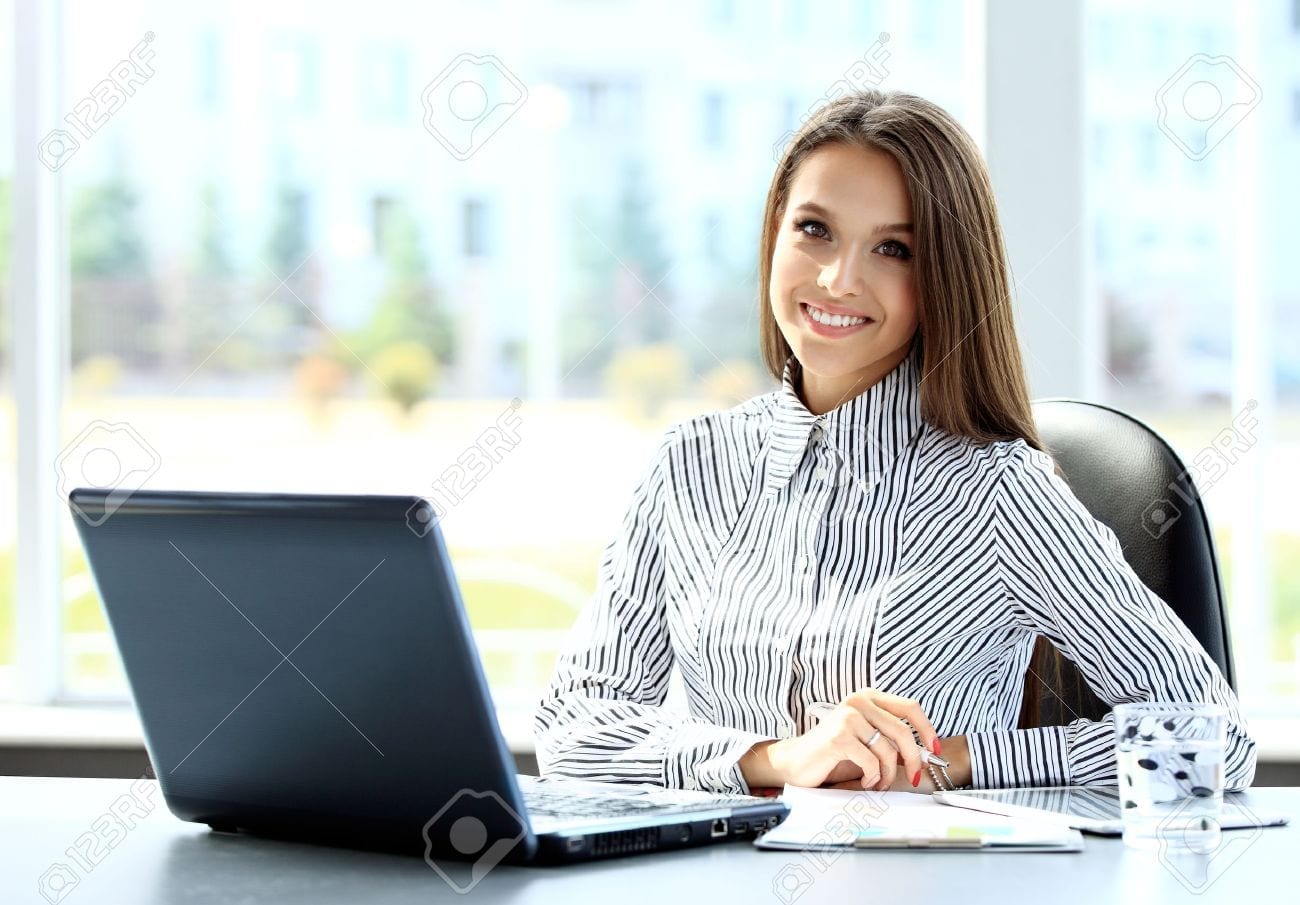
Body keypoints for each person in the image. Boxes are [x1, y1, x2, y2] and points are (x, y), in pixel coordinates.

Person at [533, 89, 1256, 797]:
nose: (838, 279)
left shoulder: (998, 491)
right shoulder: (689, 465)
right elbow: (571, 727)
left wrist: (954, 757)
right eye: (814, 230)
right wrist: (776, 758)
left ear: (942, 277)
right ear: (774, 233)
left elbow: (1211, 735)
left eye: (893, 248)